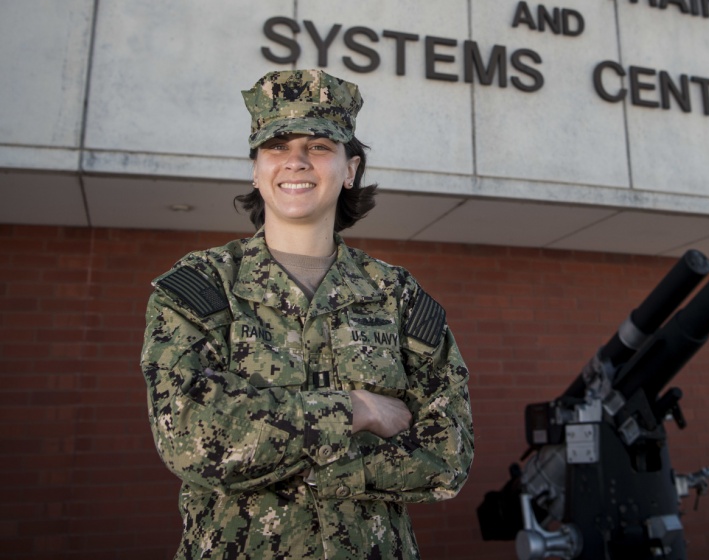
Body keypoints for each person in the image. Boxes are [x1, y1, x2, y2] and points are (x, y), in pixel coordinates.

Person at [140, 69, 474, 559]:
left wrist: (310, 463)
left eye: (319, 146)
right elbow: (191, 438)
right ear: (255, 169)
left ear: (351, 169)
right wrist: (356, 410)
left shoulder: (397, 295)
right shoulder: (206, 287)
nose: (295, 161)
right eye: (276, 146)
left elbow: (449, 456)